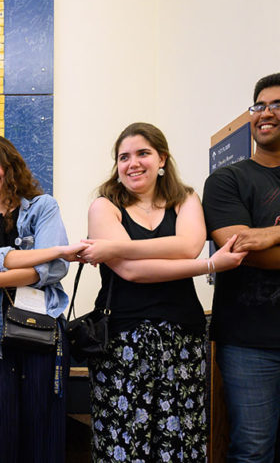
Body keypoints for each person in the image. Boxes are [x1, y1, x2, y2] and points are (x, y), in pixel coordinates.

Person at [81, 122, 245, 462]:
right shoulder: (104, 205)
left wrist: (119, 247)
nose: (132, 163)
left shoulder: (185, 198)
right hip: (121, 342)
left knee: (180, 441)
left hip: (182, 339)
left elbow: (188, 247)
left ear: (162, 160)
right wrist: (210, 265)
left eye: (143, 153)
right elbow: (132, 272)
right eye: (123, 157)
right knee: (124, 444)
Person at [0, 134, 82, 463]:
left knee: (45, 437)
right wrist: (47, 255)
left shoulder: (44, 206)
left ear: (9, 165)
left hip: (45, 332)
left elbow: (54, 270)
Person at [203, 73, 280, 463]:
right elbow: (238, 248)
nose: (267, 113)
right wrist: (262, 238)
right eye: (260, 106)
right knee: (253, 450)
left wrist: (270, 235)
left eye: (277, 105)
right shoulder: (226, 180)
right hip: (249, 342)